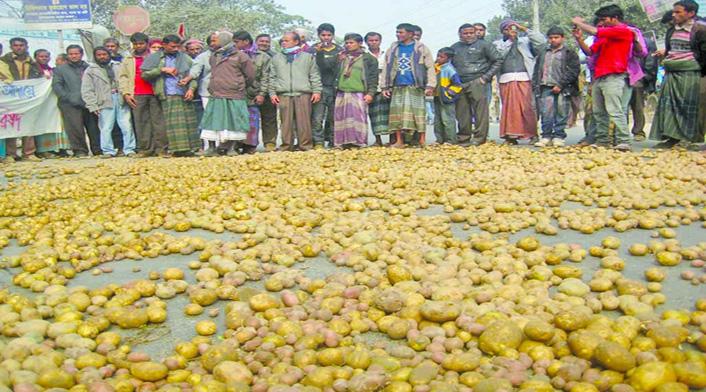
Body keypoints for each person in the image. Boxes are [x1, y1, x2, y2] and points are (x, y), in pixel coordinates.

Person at [573, 5, 635, 151]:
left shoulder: (623, 31)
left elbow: (595, 30)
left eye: (604, 19)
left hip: (614, 75)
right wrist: (579, 39)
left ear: (615, 18)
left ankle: (624, 140)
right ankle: (603, 141)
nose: (602, 23)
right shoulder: (604, 37)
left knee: (614, 110)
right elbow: (589, 52)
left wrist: (579, 22)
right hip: (599, 76)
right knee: (599, 112)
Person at [650, 0, 706, 148]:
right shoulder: (672, 30)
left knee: (688, 106)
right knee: (668, 106)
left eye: (678, 12)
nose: (674, 15)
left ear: (691, 13)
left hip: (691, 73)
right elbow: (670, 49)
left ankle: (690, 139)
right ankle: (672, 138)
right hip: (671, 72)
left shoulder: (700, 29)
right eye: (673, 11)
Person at [141, 34, 200, 156]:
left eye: (178, 47)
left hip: (184, 93)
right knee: (173, 124)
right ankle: (177, 150)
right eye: (173, 46)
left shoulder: (185, 58)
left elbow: (193, 75)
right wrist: (162, 70)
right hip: (167, 93)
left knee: (188, 123)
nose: (176, 49)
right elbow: (144, 74)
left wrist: (191, 89)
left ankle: (190, 149)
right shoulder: (155, 58)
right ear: (164, 45)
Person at [198, 31, 255, 156]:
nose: (215, 42)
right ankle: (212, 148)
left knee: (235, 121)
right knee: (212, 121)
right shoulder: (214, 56)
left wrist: (238, 85)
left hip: (234, 94)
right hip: (217, 93)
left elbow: (250, 76)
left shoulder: (241, 56)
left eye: (217, 40)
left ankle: (231, 148)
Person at [380, 23, 436, 148]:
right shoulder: (393, 48)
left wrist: (430, 85)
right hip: (397, 86)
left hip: (415, 86)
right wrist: (384, 86)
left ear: (410, 34)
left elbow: (430, 67)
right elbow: (386, 67)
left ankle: (422, 140)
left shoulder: (421, 48)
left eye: (401, 32)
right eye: (397, 32)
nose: (398, 34)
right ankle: (399, 141)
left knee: (418, 114)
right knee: (397, 114)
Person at [268, 31, 322, 151]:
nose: (283, 43)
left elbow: (314, 75)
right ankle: (287, 146)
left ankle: (305, 145)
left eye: (287, 40)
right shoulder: (276, 58)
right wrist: (272, 93)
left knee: (304, 122)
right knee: (285, 123)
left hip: (302, 93)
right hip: (284, 93)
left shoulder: (307, 57)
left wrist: (316, 91)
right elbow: (272, 77)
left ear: (296, 41)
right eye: (282, 41)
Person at [494, 20, 544, 145]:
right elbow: (499, 56)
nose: (511, 31)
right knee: (509, 109)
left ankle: (532, 134)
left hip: (525, 78)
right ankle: (510, 136)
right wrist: (510, 41)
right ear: (502, 32)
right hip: (506, 79)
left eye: (513, 28)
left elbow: (541, 42)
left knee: (528, 108)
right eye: (506, 29)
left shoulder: (525, 42)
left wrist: (524, 29)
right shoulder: (498, 44)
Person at [451, 23, 502, 146]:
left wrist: (485, 77)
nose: (468, 35)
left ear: (475, 33)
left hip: (478, 81)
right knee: (462, 112)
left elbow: (498, 60)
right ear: (460, 34)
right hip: (460, 83)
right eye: (465, 33)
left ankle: (479, 138)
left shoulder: (484, 45)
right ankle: (464, 137)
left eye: (471, 33)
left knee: (480, 112)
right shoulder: (454, 47)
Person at [82, 46, 136, 158]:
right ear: (95, 56)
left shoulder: (118, 66)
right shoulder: (91, 70)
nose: (102, 57)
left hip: (121, 98)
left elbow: (126, 80)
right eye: (99, 55)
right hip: (104, 100)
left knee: (126, 125)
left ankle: (129, 149)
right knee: (106, 127)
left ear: (109, 55)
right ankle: (108, 151)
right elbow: (87, 89)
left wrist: (128, 95)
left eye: (104, 54)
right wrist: (92, 105)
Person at [119, 32, 168, 158]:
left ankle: (161, 149)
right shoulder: (128, 59)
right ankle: (145, 149)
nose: (138, 46)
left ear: (147, 44)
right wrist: (126, 93)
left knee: (159, 122)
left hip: (155, 92)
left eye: (141, 43)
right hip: (137, 93)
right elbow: (123, 77)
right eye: (135, 44)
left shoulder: (156, 57)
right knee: (141, 122)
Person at [532, 26, 580, 147]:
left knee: (561, 112)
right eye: (551, 38)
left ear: (562, 38)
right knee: (546, 112)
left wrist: (561, 84)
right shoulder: (544, 52)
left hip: (563, 87)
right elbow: (537, 69)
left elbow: (574, 70)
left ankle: (559, 136)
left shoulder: (569, 52)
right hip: (545, 86)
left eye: (556, 37)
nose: (553, 40)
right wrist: (535, 84)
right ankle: (546, 136)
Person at [53, 44, 101, 157]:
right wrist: (68, 97)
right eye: (71, 54)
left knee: (94, 128)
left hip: (89, 102)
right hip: (70, 104)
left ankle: (98, 149)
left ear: (81, 54)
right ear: (67, 55)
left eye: (76, 53)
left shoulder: (89, 67)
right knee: (75, 128)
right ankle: (80, 150)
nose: (74, 56)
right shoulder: (60, 69)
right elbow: (57, 86)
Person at [332, 33, 378, 148]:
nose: (348, 45)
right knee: (341, 117)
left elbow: (373, 78)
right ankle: (342, 142)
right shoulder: (341, 56)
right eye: (346, 43)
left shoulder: (368, 58)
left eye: (351, 43)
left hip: (358, 92)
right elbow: (331, 72)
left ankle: (359, 142)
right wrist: (337, 60)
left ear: (360, 43)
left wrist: (370, 93)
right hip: (342, 92)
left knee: (358, 118)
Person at [0, 37, 42, 162]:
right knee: (11, 124)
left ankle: (29, 153)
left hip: (28, 97)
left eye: (21, 45)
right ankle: (10, 154)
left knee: (28, 124)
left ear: (26, 46)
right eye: (16, 45)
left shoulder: (33, 62)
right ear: (11, 47)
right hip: (11, 98)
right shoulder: (4, 61)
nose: (19, 48)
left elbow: (39, 76)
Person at [234, 30, 271, 154]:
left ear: (246, 42)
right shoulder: (233, 54)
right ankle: (236, 144)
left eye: (237, 42)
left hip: (253, 93)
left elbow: (266, 77)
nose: (235, 44)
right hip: (236, 93)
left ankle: (250, 145)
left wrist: (261, 94)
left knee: (252, 120)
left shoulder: (262, 57)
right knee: (236, 119)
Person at [33, 49, 72, 158]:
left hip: (53, 102)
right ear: (36, 57)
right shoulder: (33, 69)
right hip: (41, 103)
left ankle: (58, 148)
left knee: (57, 125)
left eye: (46, 56)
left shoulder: (52, 70)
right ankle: (43, 149)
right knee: (43, 125)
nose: (44, 58)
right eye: (41, 56)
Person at [309, 23, 342, 148]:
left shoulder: (339, 50)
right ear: (319, 36)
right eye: (323, 35)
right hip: (318, 88)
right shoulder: (312, 50)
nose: (326, 38)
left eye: (329, 35)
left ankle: (333, 140)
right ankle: (318, 141)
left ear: (333, 36)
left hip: (334, 87)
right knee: (317, 117)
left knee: (333, 116)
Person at [630, 34, 658, 141]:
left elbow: (650, 61)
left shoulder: (646, 42)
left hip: (638, 77)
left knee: (637, 105)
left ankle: (638, 131)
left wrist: (646, 77)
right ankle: (619, 133)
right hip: (623, 75)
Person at [365, 32, 390, 146]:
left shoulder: (387, 54)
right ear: (366, 42)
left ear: (380, 41)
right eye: (371, 40)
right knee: (374, 114)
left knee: (389, 114)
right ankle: (378, 139)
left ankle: (393, 139)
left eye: (376, 40)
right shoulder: (364, 56)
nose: (373, 42)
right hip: (371, 88)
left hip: (386, 86)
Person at [433, 47, 462, 144]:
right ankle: (439, 139)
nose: (438, 58)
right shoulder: (436, 67)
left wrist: (449, 93)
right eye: (438, 56)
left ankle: (450, 140)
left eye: (441, 57)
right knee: (437, 119)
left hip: (447, 98)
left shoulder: (450, 69)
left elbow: (457, 85)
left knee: (447, 119)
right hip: (437, 96)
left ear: (448, 59)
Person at [256, 33, 278, 151]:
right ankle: (248, 144)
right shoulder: (250, 55)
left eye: (266, 41)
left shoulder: (275, 56)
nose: (264, 43)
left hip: (270, 91)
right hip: (253, 91)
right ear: (256, 42)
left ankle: (270, 142)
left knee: (269, 118)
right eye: (261, 41)